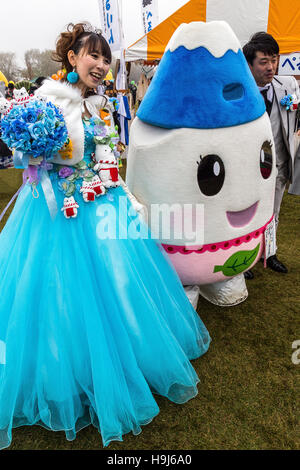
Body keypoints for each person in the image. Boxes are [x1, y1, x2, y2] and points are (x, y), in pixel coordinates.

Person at [0, 22, 210, 449]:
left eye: (105, 58)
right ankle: (64, 373)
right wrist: (34, 154)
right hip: (53, 212)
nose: (99, 64)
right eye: (92, 55)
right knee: (55, 291)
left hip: (100, 205)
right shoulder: (48, 100)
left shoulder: (102, 104)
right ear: (73, 56)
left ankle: (121, 363)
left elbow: (105, 156)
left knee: (116, 286)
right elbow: (24, 155)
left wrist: (119, 189)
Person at [243, 32, 300, 276]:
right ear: (250, 64)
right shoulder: (238, 90)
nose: (271, 67)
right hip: (246, 168)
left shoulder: (288, 85)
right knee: (245, 212)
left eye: (274, 60)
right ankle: (243, 258)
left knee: (273, 210)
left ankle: (271, 252)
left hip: (279, 164)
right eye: (264, 61)